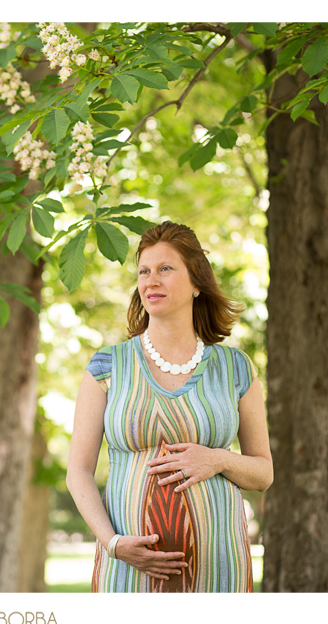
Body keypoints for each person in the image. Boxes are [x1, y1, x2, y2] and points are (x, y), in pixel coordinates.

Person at [66, 221, 273, 593]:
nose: (151, 280)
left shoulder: (235, 368)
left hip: (219, 569)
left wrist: (219, 459)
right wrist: (113, 544)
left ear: (196, 282)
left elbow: (264, 473)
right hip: (129, 571)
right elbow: (78, 471)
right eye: (144, 271)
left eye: (165, 269)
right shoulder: (107, 366)